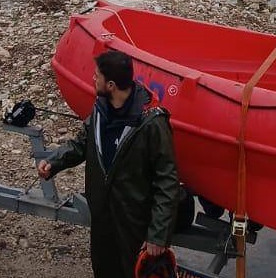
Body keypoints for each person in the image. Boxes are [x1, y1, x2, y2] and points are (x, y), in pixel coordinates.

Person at [37, 50, 179, 278]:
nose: (93, 79)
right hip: (103, 217)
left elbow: (167, 181)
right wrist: (53, 162)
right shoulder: (100, 110)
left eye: (97, 76)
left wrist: (158, 235)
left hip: (133, 223)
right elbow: (82, 143)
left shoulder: (152, 123)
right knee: (103, 270)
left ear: (111, 85)